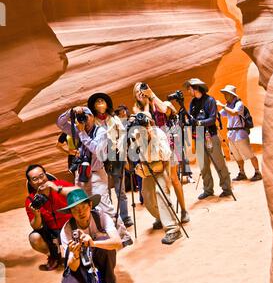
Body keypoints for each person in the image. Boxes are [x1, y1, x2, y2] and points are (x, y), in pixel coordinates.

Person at [56, 106, 133, 246]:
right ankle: (94, 233)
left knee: (105, 206)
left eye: (86, 116)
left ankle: (123, 235)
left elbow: (96, 150)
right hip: (81, 173)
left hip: (96, 173)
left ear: (92, 116)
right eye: (81, 117)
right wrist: (71, 111)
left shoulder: (101, 131)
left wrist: (82, 133)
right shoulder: (77, 129)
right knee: (83, 205)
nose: (84, 119)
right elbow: (60, 123)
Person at [57, 188, 122, 283]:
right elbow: (72, 266)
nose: (80, 212)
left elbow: (117, 242)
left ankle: (108, 280)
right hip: (79, 267)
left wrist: (93, 243)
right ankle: (87, 282)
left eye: (83, 207)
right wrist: (75, 255)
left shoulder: (101, 217)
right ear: (70, 212)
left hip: (98, 259)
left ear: (90, 205)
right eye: (75, 210)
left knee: (104, 240)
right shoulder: (67, 230)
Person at [129, 111, 182, 244]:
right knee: (147, 197)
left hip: (162, 166)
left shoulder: (158, 133)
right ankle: (161, 217)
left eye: (146, 125)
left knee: (161, 193)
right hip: (147, 169)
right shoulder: (136, 136)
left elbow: (165, 155)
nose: (145, 128)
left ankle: (173, 229)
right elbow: (135, 156)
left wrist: (152, 139)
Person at [87, 93, 133, 228]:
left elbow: (123, 137)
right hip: (100, 160)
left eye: (103, 101)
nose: (100, 103)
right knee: (104, 191)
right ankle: (110, 217)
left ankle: (124, 216)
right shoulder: (92, 121)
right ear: (94, 106)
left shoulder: (114, 119)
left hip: (116, 157)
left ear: (107, 104)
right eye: (97, 102)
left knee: (120, 189)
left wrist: (124, 156)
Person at [184, 78, 232, 199]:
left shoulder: (210, 100)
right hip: (198, 136)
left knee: (218, 163)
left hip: (210, 135)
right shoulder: (193, 103)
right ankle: (208, 189)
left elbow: (211, 119)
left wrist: (198, 122)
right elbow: (191, 120)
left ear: (196, 88)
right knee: (203, 165)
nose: (188, 90)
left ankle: (226, 188)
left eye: (189, 88)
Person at [25, 164, 74, 271]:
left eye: (42, 176)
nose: (40, 180)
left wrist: (57, 189)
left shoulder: (59, 184)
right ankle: (53, 255)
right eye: (35, 179)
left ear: (46, 175)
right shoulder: (31, 200)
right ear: (30, 183)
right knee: (34, 238)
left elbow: (79, 191)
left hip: (70, 227)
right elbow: (36, 226)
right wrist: (37, 214)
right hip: (51, 233)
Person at [216, 84, 262, 181]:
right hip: (231, 134)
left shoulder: (239, 104)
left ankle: (257, 172)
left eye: (226, 94)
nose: (225, 96)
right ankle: (242, 173)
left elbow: (234, 112)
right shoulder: (228, 105)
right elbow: (220, 114)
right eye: (224, 94)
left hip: (240, 133)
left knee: (249, 154)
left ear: (232, 95)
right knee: (237, 156)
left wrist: (222, 106)